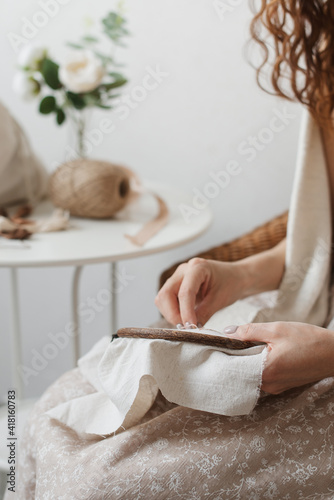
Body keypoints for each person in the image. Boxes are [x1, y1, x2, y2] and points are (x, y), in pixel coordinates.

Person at [7, 1, 334, 498]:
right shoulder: (326, 63)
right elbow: (323, 232)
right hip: (305, 315)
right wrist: (238, 274)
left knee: (98, 485)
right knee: (52, 418)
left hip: (319, 354)